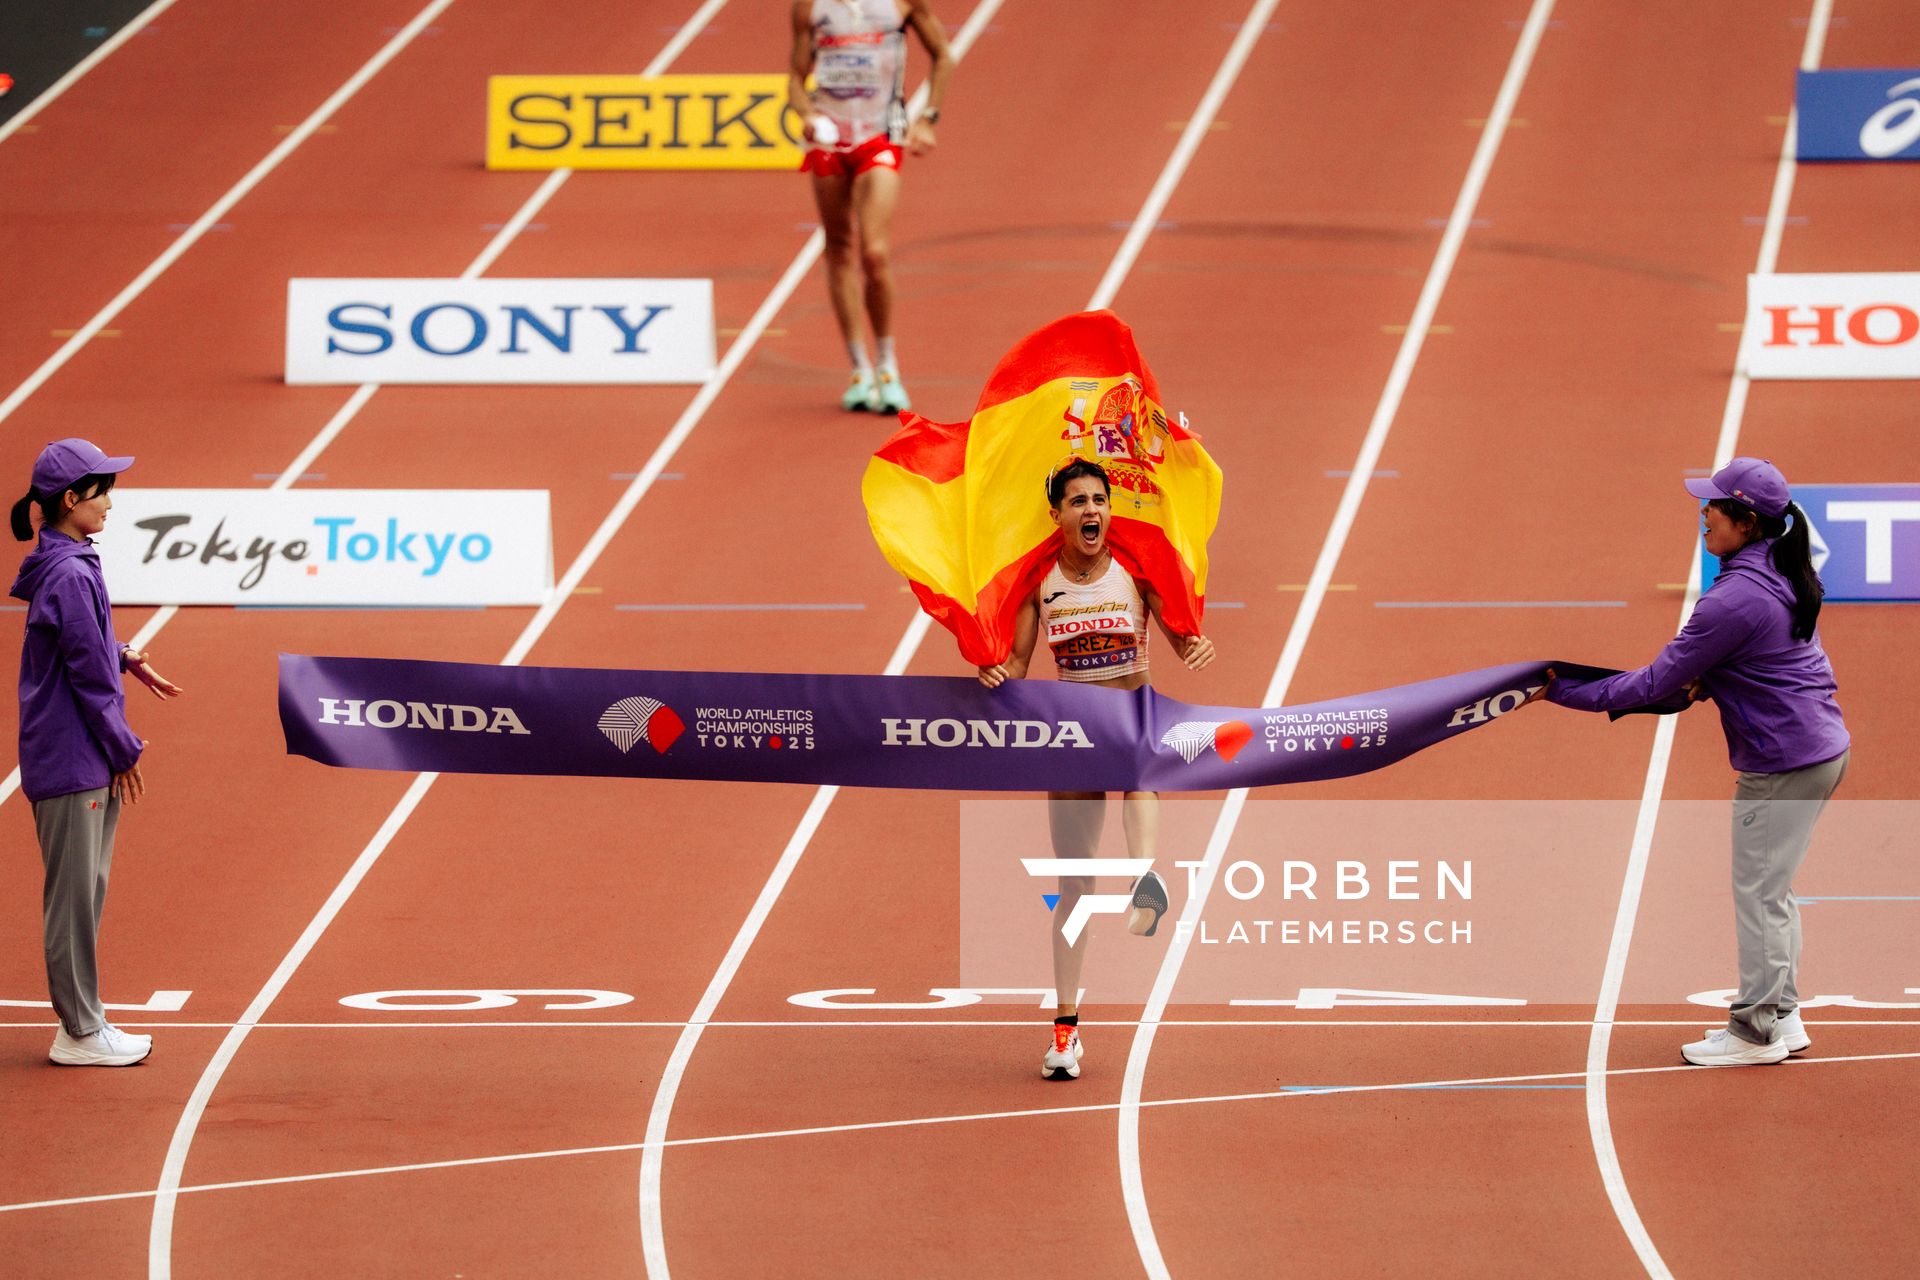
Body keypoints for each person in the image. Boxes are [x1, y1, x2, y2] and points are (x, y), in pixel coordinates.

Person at [1538, 457, 1848, 1067]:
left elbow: (1654, 683)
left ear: (1746, 520)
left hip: (1783, 762)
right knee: (1774, 894)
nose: (1702, 512)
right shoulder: (1776, 569)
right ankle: (1782, 1017)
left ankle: (1754, 1033)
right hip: (1818, 749)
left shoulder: (1732, 600)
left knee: (1760, 897)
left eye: (1713, 505)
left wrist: (1557, 689)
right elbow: (1755, 662)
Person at [977, 458, 1216, 1079]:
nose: (1092, 511)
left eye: (1099, 501)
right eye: (1078, 501)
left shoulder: (1136, 572)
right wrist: (996, 671)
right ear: (1057, 515)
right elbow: (1020, 670)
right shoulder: (1041, 585)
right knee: (1075, 887)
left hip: (1131, 723)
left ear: (1110, 510)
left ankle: (1144, 875)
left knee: (1142, 776)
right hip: (1074, 737)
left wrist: (1193, 645)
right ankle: (1065, 1032)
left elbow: (1179, 630)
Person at [11, 438, 182, 1067]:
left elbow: (88, 644)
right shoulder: (69, 571)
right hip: (73, 755)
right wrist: (124, 747)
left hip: (78, 753)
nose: (112, 500)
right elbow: (83, 671)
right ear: (71, 498)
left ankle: (84, 1022)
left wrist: (126, 655)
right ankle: (80, 1032)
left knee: (87, 891)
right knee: (74, 898)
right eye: (102, 489)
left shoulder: (73, 560)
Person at [788, 0, 954, 415]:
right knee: (839, 245)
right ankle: (859, 370)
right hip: (830, 139)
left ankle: (888, 366)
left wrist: (928, 118)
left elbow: (943, 57)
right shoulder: (810, 6)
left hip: (880, 137)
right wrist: (808, 115)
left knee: (874, 253)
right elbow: (794, 76)